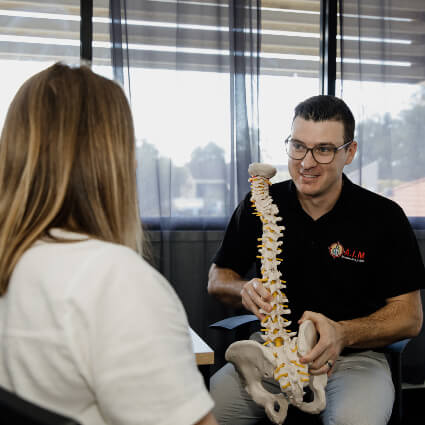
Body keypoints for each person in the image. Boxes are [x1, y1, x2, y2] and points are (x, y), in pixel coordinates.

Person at [0, 63, 218, 425]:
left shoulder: (17, 263)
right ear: (108, 164)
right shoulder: (116, 282)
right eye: (126, 148)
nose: (133, 162)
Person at [207, 95, 425, 425]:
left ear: (349, 152)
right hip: (270, 353)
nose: (306, 162)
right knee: (197, 412)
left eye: (323, 149)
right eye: (298, 146)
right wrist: (243, 289)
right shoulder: (260, 203)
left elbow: (410, 316)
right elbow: (217, 278)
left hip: (353, 360)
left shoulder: (383, 217)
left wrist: (343, 333)